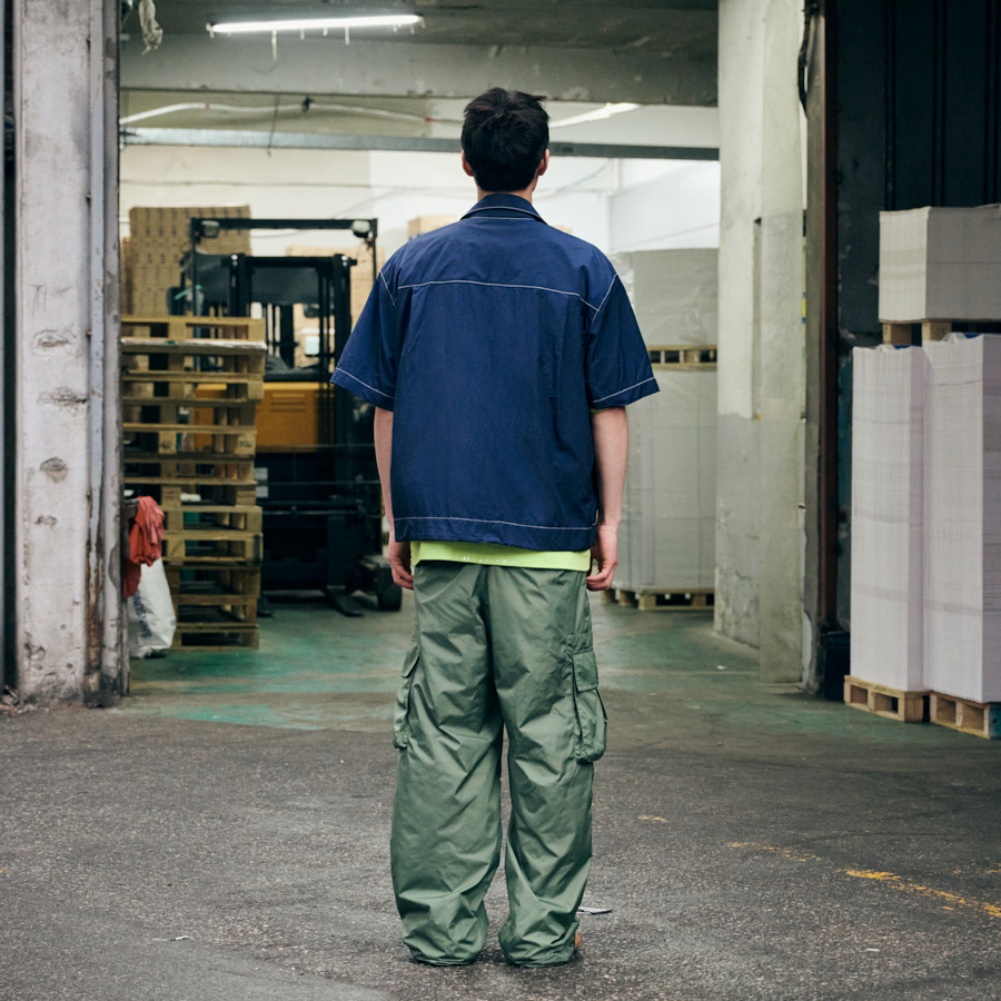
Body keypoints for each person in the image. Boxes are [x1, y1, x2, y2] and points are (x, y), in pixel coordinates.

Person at [331, 87, 658, 968]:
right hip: (547, 546)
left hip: (441, 542)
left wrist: (397, 520)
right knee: (550, 739)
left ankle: (441, 932)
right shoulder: (585, 270)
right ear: (543, 163)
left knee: (443, 737)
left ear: (466, 163)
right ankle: (542, 933)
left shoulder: (410, 269)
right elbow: (609, 408)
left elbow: (384, 406)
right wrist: (609, 522)